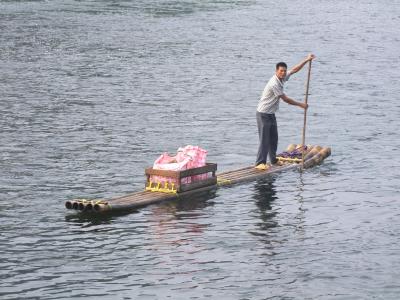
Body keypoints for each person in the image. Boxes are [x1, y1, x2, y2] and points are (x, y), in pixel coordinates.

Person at [255, 54, 315, 170]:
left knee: (274, 138)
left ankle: (273, 160)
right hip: (263, 114)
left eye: (284, 71)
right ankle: (259, 163)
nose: (283, 73)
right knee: (265, 139)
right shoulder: (274, 83)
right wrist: (301, 105)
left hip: (271, 113)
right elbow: (286, 99)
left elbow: (294, 70)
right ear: (276, 71)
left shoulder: (282, 78)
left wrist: (307, 60)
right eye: (281, 71)